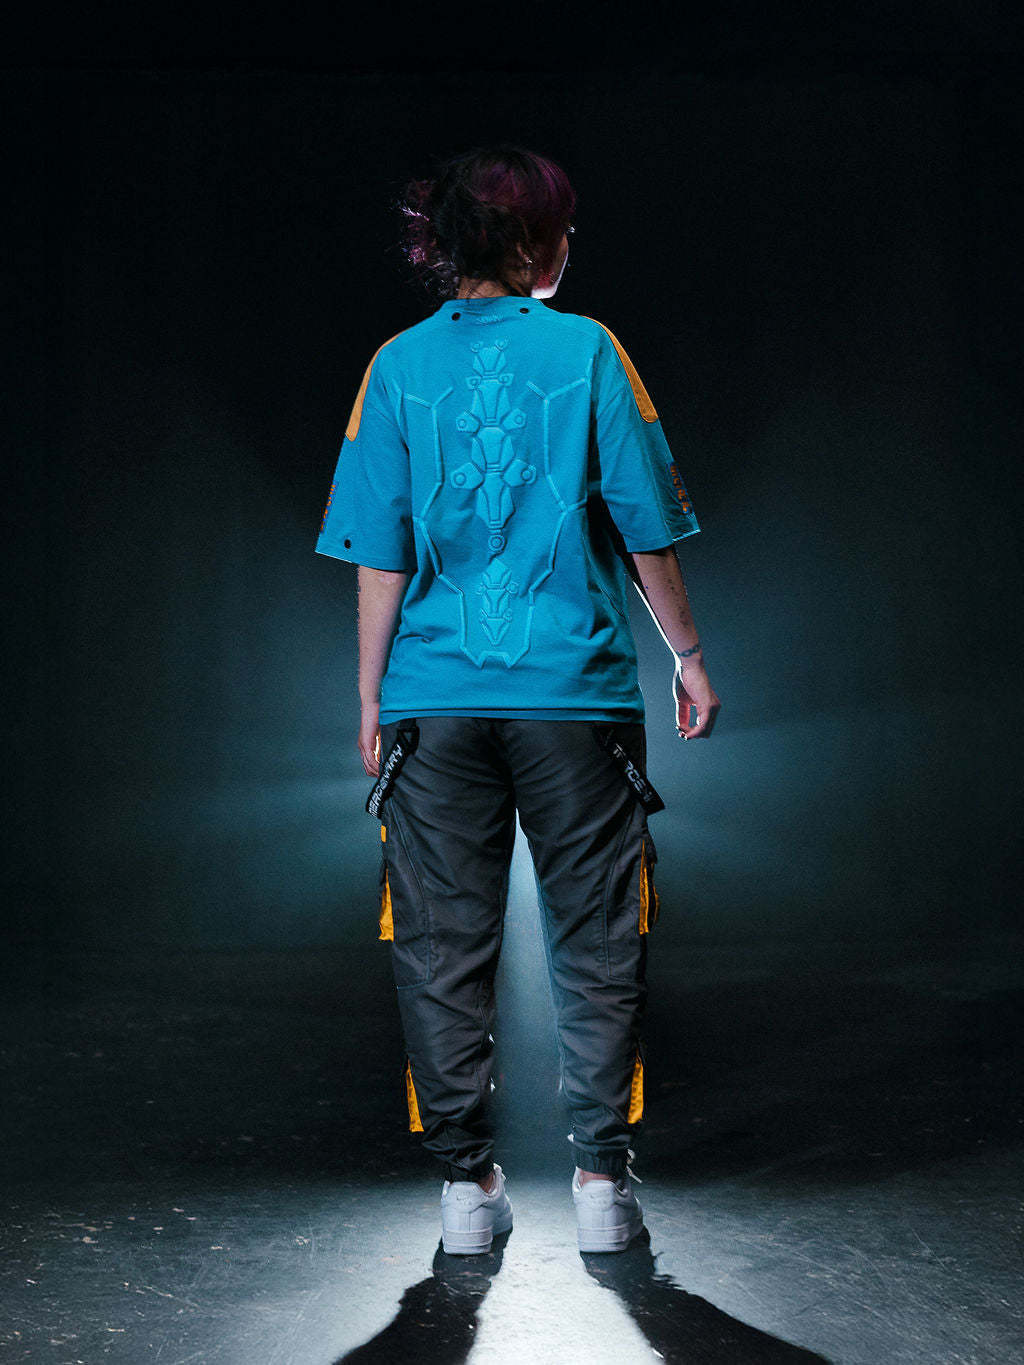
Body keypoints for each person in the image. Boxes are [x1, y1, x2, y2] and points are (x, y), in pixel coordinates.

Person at [315, 143, 721, 1255]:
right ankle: (601, 1188)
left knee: (439, 944)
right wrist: (687, 654)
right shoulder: (589, 349)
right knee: (599, 934)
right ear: (536, 241)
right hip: (576, 701)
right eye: (564, 229)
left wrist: (371, 699)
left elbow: (380, 554)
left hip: (431, 704)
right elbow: (646, 525)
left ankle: (466, 1192)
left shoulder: (394, 365)